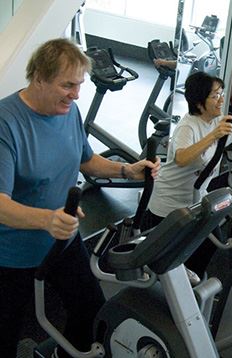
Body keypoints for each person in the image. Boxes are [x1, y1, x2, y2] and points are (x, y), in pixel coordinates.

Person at [0, 38, 161, 358]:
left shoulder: (68, 111)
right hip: (11, 252)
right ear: (39, 78)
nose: (76, 94)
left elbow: (85, 159)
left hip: (63, 238)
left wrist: (127, 170)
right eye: (68, 85)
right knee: (5, 335)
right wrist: (48, 218)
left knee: (91, 312)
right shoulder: (6, 123)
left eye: (79, 85)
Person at [145, 71, 232, 283]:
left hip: (196, 199)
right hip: (170, 206)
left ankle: (190, 285)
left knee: (208, 244)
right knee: (178, 256)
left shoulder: (214, 121)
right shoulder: (188, 126)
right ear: (199, 102)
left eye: (221, 94)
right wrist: (213, 136)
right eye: (215, 96)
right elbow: (181, 157)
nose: (221, 100)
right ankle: (177, 288)